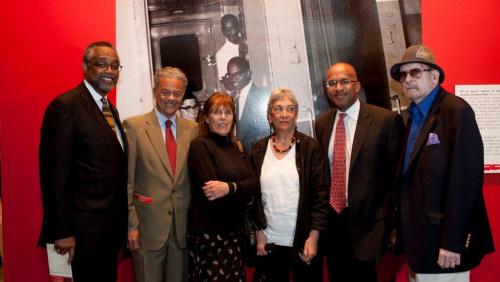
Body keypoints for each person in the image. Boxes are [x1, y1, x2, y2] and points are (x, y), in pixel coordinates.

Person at [390, 45, 494, 281]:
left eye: (415, 72)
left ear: (434, 77)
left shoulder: (456, 112)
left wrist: (452, 242)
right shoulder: (413, 118)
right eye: (403, 75)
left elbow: (465, 184)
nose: (407, 79)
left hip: (444, 248)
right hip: (420, 245)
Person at [38, 41, 128, 281]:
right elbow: (54, 177)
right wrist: (62, 232)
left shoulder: (110, 109)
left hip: (107, 234)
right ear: (85, 67)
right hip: (79, 235)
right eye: (102, 64)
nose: (110, 70)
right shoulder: (65, 107)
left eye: (115, 66)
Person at [315, 62, 403, 282]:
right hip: (335, 229)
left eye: (344, 81)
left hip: (372, 230)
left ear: (357, 86)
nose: (338, 88)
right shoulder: (323, 124)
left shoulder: (385, 121)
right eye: (332, 83)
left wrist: (395, 226)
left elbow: (397, 178)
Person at [123, 67, 199, 282]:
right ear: (155, 91)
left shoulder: (193, 129)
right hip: (147, 230)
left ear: (183, 95)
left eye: (177, 93)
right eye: (165, 92)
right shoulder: (134, 127)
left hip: (181, 231)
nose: (171, 98)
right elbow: (126, 181)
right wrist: (131, 225)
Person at [250, 88, 329, 281]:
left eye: (290, 109)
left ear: (296, 115)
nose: (284, 114)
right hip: (270, 240)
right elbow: (253, 197)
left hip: (303, 239)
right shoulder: (258, 149)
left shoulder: (311, 148)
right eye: (278, 109)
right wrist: (259, 233)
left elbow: (320, 196)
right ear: (270, 116)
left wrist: (313, 237)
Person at [187, 92, 259, 282]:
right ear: (207, 118)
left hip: (236, 235)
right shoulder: (200, 146)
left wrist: (230, 188)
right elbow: (211, 194)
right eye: (216, 112)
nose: (222, 117)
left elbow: (254, 184)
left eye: (227, 112)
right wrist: (242, 191)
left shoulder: (238, 146)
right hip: (210, 237)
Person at [224, 56, 270, 150]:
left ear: (248, 73)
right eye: (230, 75)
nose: (232, 79)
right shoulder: (234, 98)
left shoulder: (262, 96)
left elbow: (265, 134)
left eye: (236, 74)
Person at [216, 14, 247, 81]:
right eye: (226, 29)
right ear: (222, 31)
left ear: (238, 27)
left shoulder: (248, 43)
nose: (229, 31)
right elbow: (223, 80)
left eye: (232, 28)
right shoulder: (221, 54)